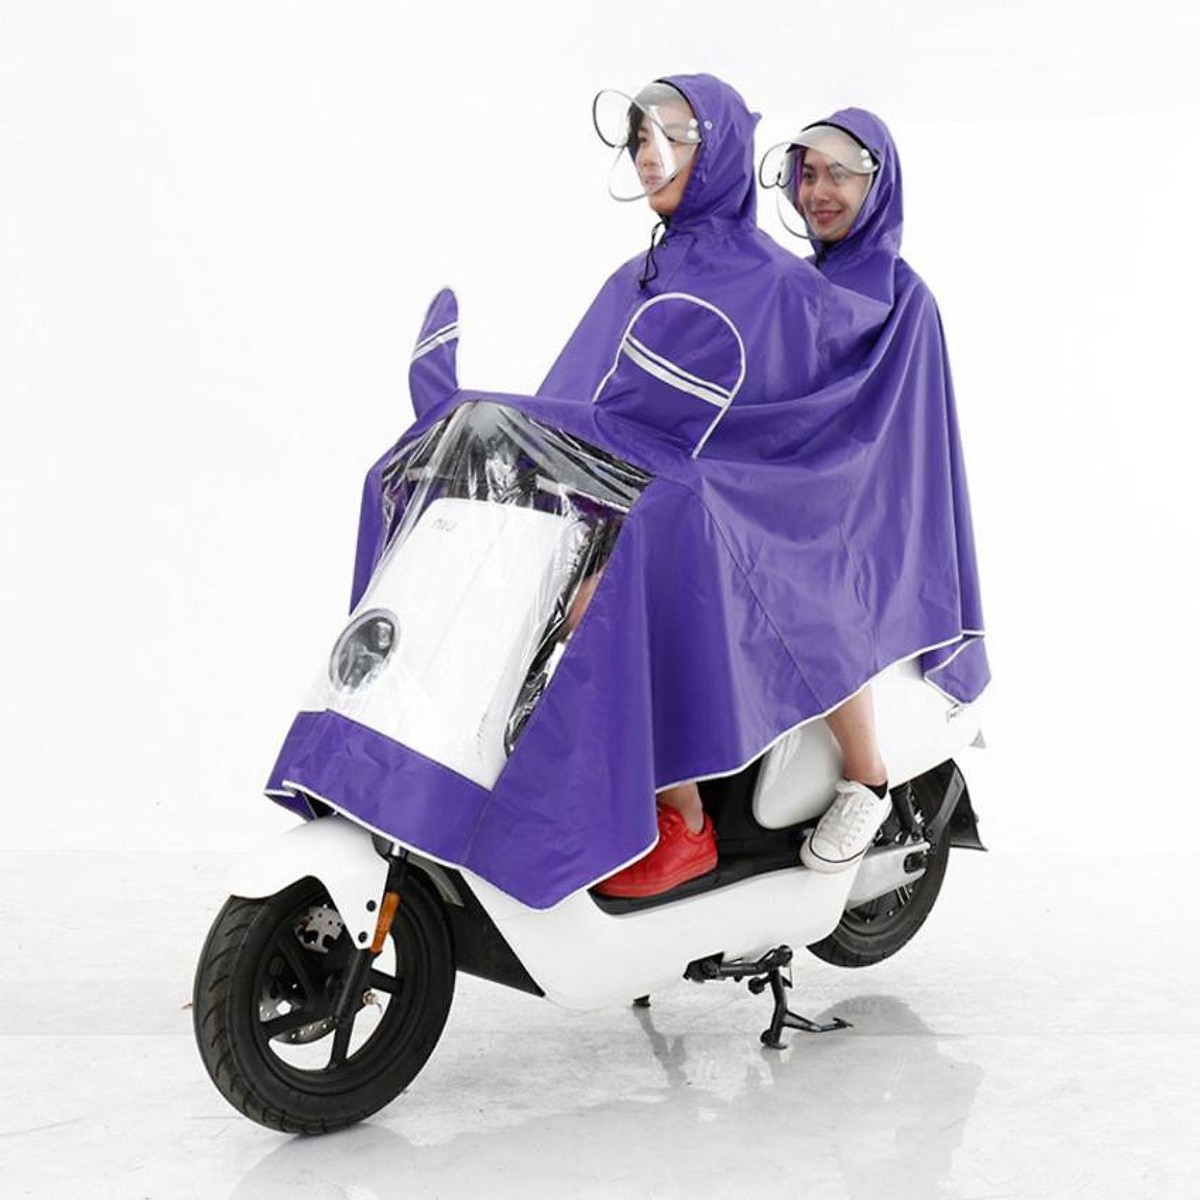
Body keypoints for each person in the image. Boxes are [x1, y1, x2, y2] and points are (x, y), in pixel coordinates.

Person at [541, 77, 903, 897]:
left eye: (671, 136)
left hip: (760, 504)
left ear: (722, 149)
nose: (649, 156)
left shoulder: (778, 280)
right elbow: (582, 396)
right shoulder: (638, 275)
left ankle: (692, 821)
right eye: (640, 139)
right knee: (558, 588)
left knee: (631, 586)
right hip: (664, 500)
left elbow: (818, 397)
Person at [762, 112, 987, 872]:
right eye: (807, 174)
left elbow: (896, 432)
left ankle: (867, 777)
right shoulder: (794, 285)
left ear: (878, 186)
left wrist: (807, 483)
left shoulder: (905, 297)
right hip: (786, 491)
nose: (818, 191)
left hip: (863, 509)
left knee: (803, 585)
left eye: (839, 175)